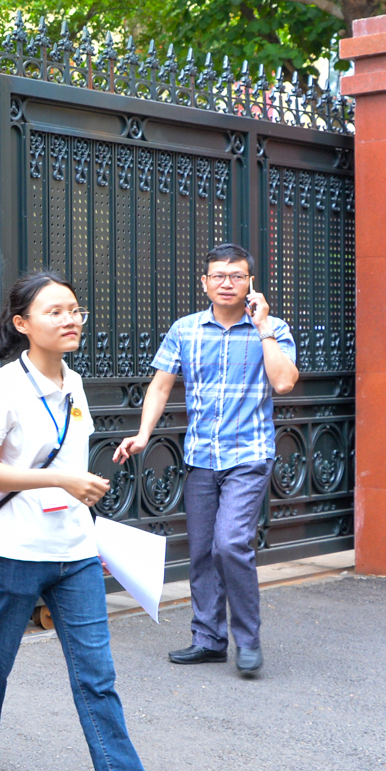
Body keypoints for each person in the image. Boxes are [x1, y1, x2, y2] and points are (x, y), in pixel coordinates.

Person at [0, 271, 197, 771]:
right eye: (55, 311)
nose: (71, 319)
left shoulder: (75, 383)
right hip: (17, 549)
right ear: (22, 324)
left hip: (76, 549)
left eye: (75, 309)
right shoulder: (3, 385)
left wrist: (76, 499)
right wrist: (59, 479)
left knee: (96, 674)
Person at [117, 244, 297, 675]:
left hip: (249, 455)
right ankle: (209, 639)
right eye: (218, 276)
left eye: (236, 276)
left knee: (231, 543)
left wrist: (264, 327)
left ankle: (248, 641)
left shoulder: (272, 328)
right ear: (204, 282)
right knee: (201, 551)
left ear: (250, 282)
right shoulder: (185, 329)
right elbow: (161, 386)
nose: (226, 283)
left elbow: (285, 382)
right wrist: (144, 434)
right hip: (200, 456)